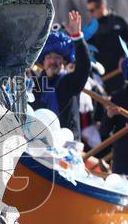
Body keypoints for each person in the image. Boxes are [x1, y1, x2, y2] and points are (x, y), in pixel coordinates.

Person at [29, 11, 90, 139]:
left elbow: (84, 66)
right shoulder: (34, 85)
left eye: (57, 57)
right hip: (38, 144)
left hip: (67, 143)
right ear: (43, 62)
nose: (52, 61)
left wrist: (77, 37)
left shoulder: (70, 82)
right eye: (49, 57)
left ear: (64, 62)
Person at [86, 0, 128, 92]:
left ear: (102, 7)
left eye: (92, 10)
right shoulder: (90, 28)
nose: (90, 14)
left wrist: (125, 57)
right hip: (102, 76)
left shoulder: (119, 21)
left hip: (120, 72)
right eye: (89, 11)